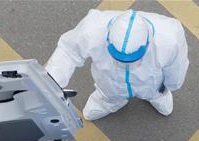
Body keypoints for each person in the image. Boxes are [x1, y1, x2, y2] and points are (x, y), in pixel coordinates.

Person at [45, 8, 188, 120]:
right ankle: (108, 102)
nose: (125, 64)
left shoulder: (170, 38)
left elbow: (177, 66)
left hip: (151, 83)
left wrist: (169, 85)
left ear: (148, 42)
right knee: (110, 92)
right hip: (109, 81)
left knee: (154, 91)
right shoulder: (92, 28)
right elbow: (69, 51)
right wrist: (53, 81)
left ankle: (157, 96)